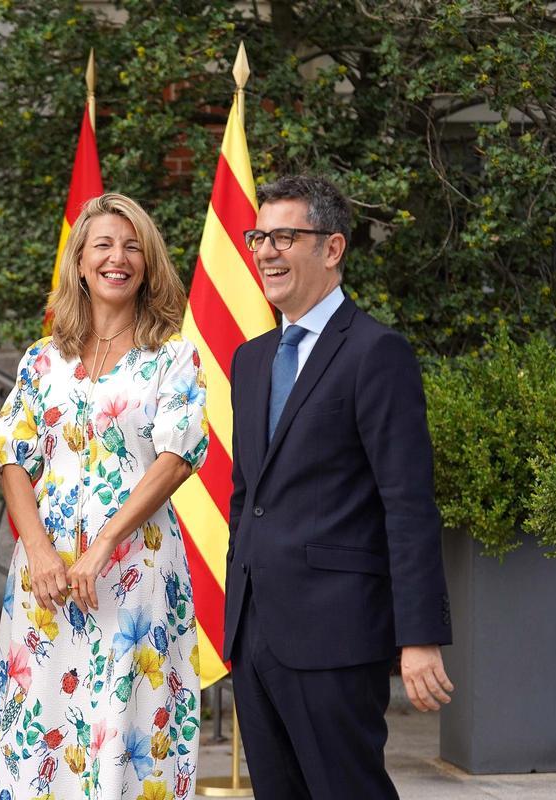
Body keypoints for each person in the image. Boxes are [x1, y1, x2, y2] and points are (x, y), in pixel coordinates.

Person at [224, 175, 453, 798]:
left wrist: (420, 637)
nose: (266, 251)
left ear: (332, 248)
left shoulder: (377, 353)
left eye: (284, 236)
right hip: (255, 634)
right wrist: (235, 614)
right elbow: (248, 496)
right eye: (259, 237)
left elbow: (407, 505)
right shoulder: (251, 360)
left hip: (336, 633)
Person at [0, 193, 210, 799]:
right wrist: (37, 548)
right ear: (80, 263)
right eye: (104, 246)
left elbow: (178, 456)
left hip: (135, 572)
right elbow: (13, 454)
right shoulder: (42, 361)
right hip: (47, 578)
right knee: (44, 730)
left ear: (150, 262)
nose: (119, 257)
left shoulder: (173, 357)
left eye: (133, 245)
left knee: (126, 726)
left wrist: (104, 544)